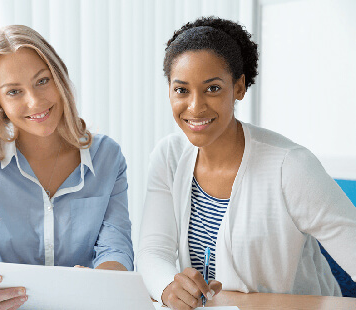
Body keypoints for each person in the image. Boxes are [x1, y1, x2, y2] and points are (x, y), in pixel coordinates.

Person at [137, 16, 356, 310]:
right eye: (181, 90)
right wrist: (169, 288)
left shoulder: (290, 167)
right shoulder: (169, 156)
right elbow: (153, 251)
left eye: (212, 88)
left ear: (238, 87)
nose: (195, 106)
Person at [0, 25, 133, 310]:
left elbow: (115, 248)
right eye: (14, 91)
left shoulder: (107, 156)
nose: (35, 101)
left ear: (59, 77)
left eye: (42, 81)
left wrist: (99, 285)